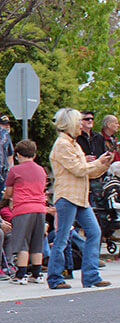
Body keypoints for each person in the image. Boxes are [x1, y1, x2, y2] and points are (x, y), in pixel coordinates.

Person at [46, 108, 113, 290]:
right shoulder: (62, 144)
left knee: (94, 232)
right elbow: (79, 169)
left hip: (80, 197)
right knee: (63, 237)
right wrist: (99, 163)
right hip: (67, 196)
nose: (82, 125)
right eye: (79, 121)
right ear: (70, 123)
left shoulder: (74, 144)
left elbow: (87, 171)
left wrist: (103, 164)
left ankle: (90, 275)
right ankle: (55, 277)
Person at [0, 139, 47, 284]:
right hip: (40, 208)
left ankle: (21, 274)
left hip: (23, 208)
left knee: (22, 242)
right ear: (34, 154)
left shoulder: (15, 170)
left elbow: (8, 192)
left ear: (18, 155)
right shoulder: (41, 170)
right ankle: (37, 273)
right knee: (37, 241)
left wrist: (6, 195)